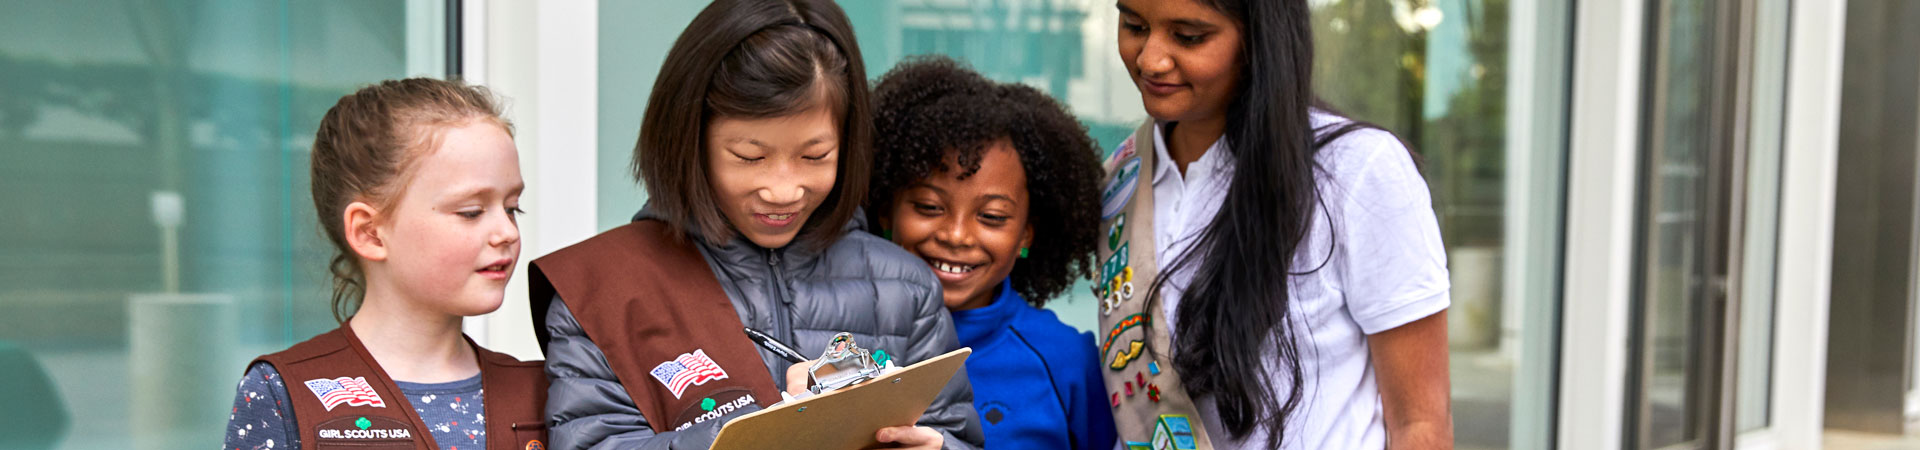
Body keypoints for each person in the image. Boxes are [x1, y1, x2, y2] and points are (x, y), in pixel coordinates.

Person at [528, 1, 983, 449]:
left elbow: (956, 435)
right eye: (750, 157)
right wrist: (759, 431)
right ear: (690, 140)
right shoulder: (604, 288)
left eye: (814, 156)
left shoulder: (904, 286)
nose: (783, 190)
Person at [1099, 0, 1454, 448]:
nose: (1150, 58)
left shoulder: (1356, 171)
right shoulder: (1120, 178)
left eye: (1189, 37)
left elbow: (1420, 423)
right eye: (1134, 25)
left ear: (1258, 41)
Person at [223, 78, 548, 450]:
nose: (506, 231)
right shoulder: (284, 393)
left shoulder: (544, 391)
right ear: (370, 233)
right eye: (471, 212)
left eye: (512, 208)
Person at [864, 56, 1117, 450]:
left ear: (1027, 234)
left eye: (992, 216)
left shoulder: (1066, 360)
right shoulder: (841, 339)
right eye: (929, 207)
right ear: (885, 210)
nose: (956, 234)